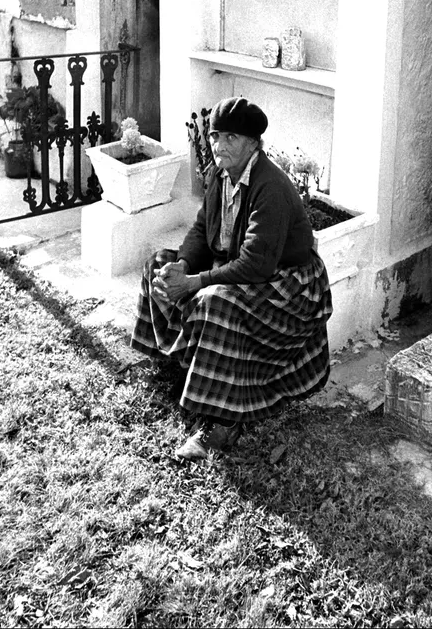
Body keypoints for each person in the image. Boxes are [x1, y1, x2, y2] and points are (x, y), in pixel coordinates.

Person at [131, 96, 332, 461]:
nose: (219, 146)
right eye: (215, 136)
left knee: (216, 303)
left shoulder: (270, 187)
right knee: (156, 265)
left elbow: (256, 265)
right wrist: (182, 265)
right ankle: (178, 368)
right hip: (241, 267)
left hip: (286, 287)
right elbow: (200, 229)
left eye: (231, 138)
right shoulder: (220, 175)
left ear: (254, 143)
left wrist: (195, 282)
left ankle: (222, 423)